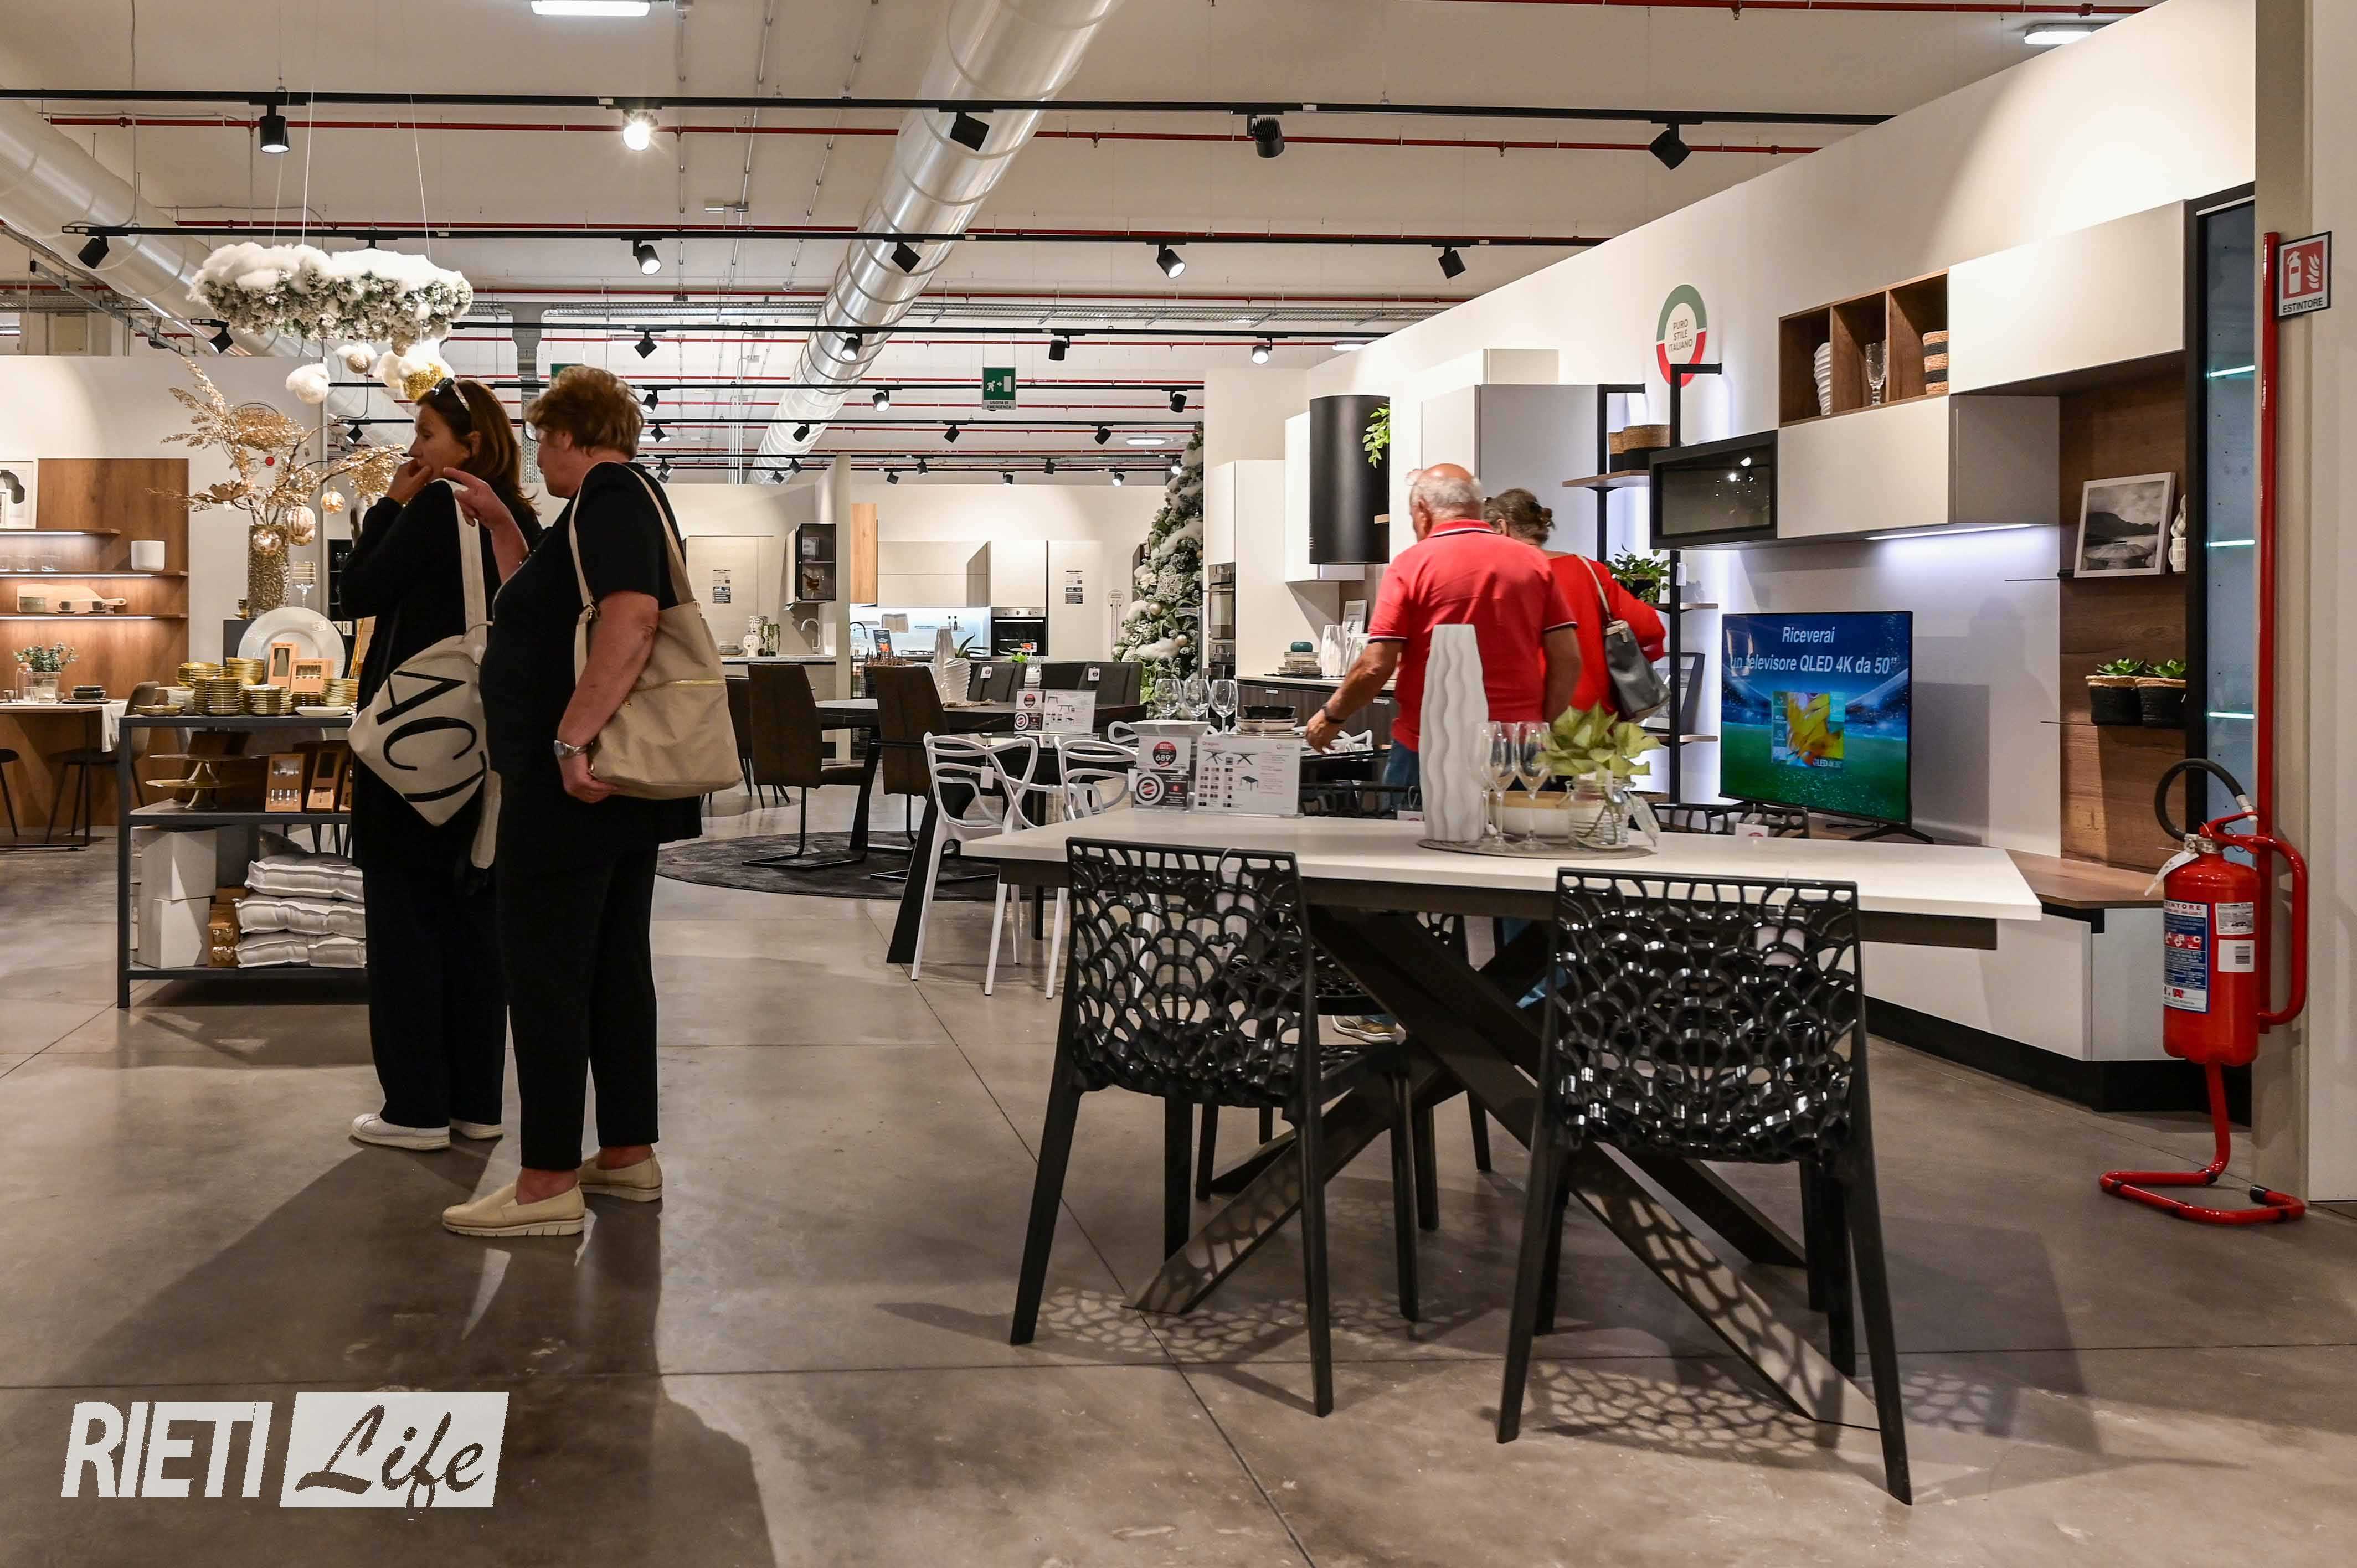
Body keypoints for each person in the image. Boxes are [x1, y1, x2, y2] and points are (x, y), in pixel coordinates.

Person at [437, 365, 699, 1239]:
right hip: (602, 793)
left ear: (569, 434)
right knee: (612, 968)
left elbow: (632, 619)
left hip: (572, 789)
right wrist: (504, 527)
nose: (539, 456)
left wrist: (569, 738)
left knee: (546, 975)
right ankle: (625, 1154)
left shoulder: (610, 493)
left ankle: (547, 1182)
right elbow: (548, 614)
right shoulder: (608, 507)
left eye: (543, 439)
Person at [341, 377, 541, 1153]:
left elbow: (358, 592)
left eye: (426, 434)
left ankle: (416, 1110)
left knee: (405, 923)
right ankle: (476, 1104)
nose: (414, 447)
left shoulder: (433, 508)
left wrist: (389, 503)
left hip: (414, 752)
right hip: (488, 756)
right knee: (474, 924)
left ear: (471, 444)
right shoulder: (518, 518)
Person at [1306, 465, 1581, 790]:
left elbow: (1375, 666)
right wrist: (1539, 727)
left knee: (1419, 825)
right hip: (1516, 748)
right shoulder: (1533, 563)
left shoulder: (1411, 565)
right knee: (1514, 824)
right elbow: (1568, 659)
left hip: (1428, 745)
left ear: (1423, 511)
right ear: (1477, 507)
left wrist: (1332, 716)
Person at [1486, 487, 1667, 714]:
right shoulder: (1587, 570)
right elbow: (1649, 627)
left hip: (1523, 715)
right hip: (1593, 717)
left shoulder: (1496, 578)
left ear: (1502, 528)